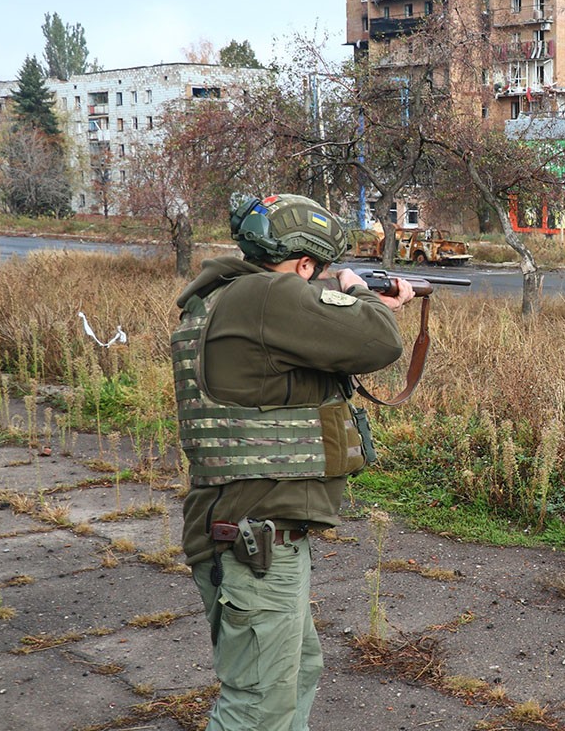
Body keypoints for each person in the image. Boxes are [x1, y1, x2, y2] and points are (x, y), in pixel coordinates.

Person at [173, 193, 414, 731]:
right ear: (303, 264)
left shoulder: (217, 298)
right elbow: (378, 341)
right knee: (258, 707)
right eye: (316, 272)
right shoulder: (266, 296)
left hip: (245, 528)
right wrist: (364, 295)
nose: (316, 280)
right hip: (255, 539)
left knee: (296, 672)